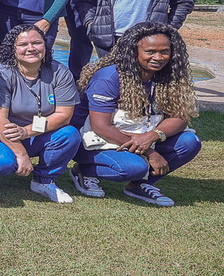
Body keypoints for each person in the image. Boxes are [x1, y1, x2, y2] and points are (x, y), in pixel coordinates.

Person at [71, 22, 201, 207]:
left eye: (164, 51)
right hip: (92, 141)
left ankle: (140, 185)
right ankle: (83, 171)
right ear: (133, 51)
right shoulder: (109, 77)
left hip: (138, 137)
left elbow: (179, 118)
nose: (158, 57)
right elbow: (101, 127)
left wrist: (153, 136)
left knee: (189, 142)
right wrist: (150, 152)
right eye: (150, 51)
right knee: (133, 168)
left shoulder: (169, 76)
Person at [0, 24, 81, 203]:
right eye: (23, 44)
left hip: (34, 133)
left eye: (36, 43)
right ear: (12, 49)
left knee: (70, 135)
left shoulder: (60, 72)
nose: (31, 48)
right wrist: (21, 154)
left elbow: (64, 115)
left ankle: (44, 180)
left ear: (45, 45)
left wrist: (26, 131)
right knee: (5, 163)